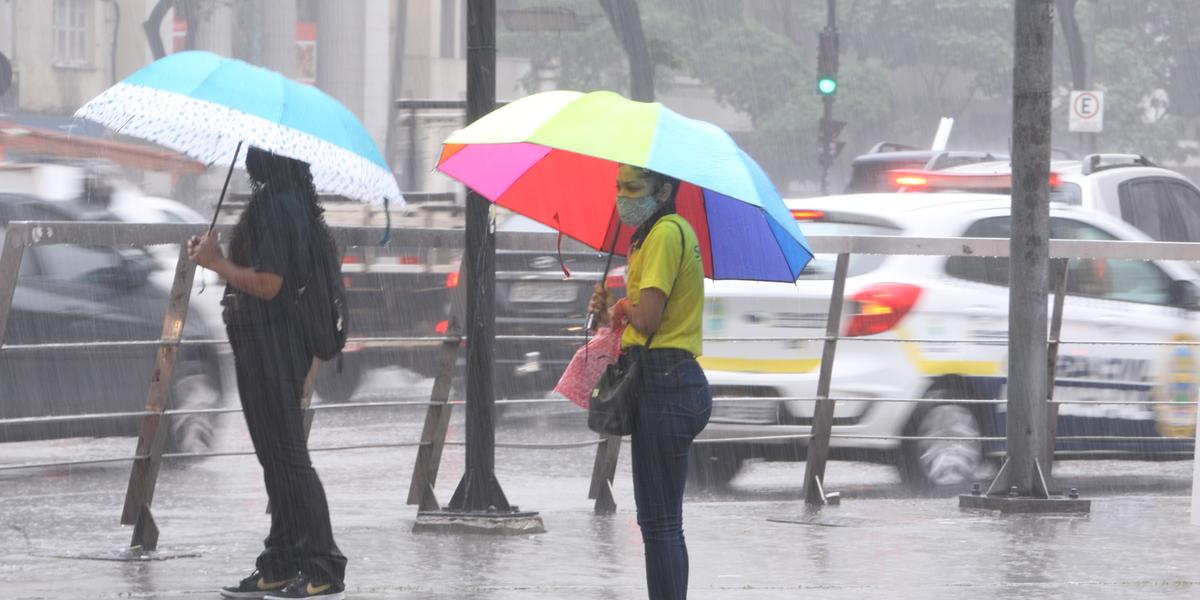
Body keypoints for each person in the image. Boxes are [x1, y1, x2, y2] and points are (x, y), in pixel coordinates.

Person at [189, 147, 347, 600]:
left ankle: (323, 564)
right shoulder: (288, 200)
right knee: (276, 459)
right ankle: (280, 561)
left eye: (258, 151)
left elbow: (270, 284)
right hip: (271, 344)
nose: (250, 159)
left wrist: (217, 262)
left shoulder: (279, 206)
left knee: (288, 458)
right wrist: (216, 257)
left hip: (272, 345)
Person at [589, 164, 712, 600]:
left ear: (662, 190)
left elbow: (650, 317)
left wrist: (623, 306)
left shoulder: (662, 235)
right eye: (619, 186)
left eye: (633, 187)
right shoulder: (662, 232)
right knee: (663, 523)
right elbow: (644, 320)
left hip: (666, 383)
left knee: (659, 524)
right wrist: (610, 312)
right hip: (674, 380)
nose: (623, 195)